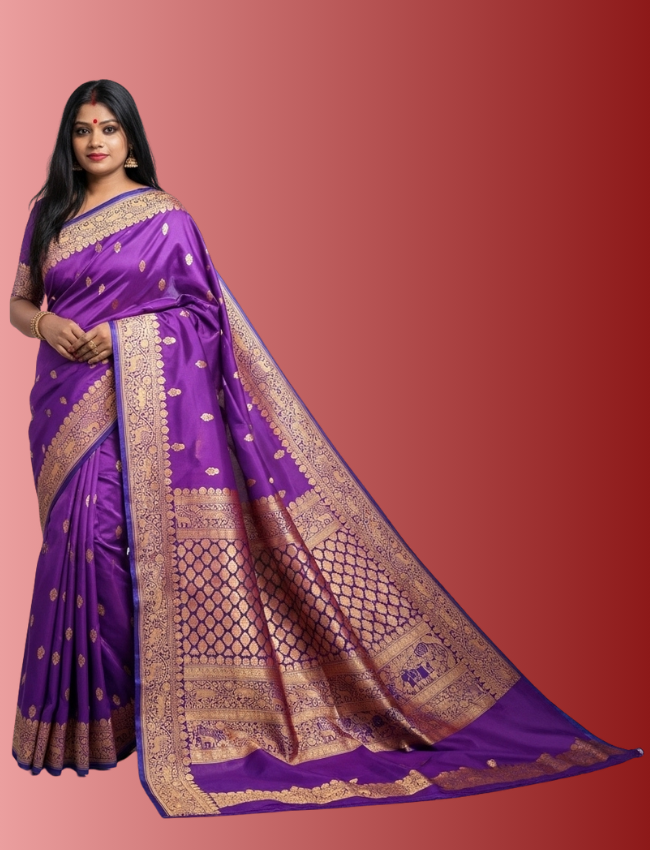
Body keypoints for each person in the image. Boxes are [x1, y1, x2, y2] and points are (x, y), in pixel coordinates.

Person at [10, 79, 641, 818]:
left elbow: (201, 318)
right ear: (69, 139)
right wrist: (44, 325)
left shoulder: (165, 218)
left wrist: (122, 337)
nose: (95, 141)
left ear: (130, 140)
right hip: (65, 407)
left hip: (141, 409)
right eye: (83, 129)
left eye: (109, 128)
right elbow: (20, 302)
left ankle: (144, 717)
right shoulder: (49, 213)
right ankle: (88, 728)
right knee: (74, 550)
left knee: (105, 542)